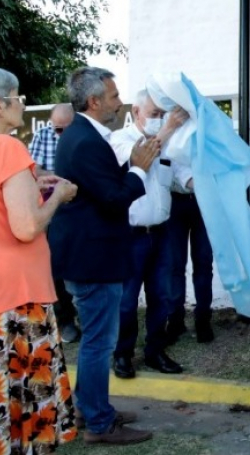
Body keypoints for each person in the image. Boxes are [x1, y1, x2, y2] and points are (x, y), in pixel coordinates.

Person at [48, 66, 158, 445]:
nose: (119, 101)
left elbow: (103, 188)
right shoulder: (85, 141)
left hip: (90, 255)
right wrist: (140, 170)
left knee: (98, 340)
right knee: (99, 342)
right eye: (113, 96)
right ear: (94, 102)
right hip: (93, 259)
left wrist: (132, 168)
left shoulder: (84, 135)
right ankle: (99, 422)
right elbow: (113, 199)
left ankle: (89, 406)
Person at [0, 68, 78, 452]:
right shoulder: (9, 147)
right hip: (18, 294)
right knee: (29, 396)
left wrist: (34, 183)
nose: (21, 105)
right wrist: (58, 195)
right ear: (2, 104)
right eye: (17, 99)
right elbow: (27, 227)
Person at [110, 89, 188, 378]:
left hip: (162, 232)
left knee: (161, 295)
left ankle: (155, 350)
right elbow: (141, 154)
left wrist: (200, 184)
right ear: (136, 113)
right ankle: (123, 354)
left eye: (162, 116)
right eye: (154, 115)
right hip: (131, 236)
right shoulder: (119, 139)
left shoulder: (168, 145)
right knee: (127, 300)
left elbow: (180, 175)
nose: (159, 120)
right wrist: (168, 129)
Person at [28, 102, 80, 344]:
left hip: (80, 210)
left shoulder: (84, 136)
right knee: (54, 267)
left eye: (63, 130)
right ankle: (66, 320)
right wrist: (58, 180)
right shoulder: (42, 134)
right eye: (56, 129)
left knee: (82, 263)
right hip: (52, 210)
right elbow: (34, 169)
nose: (59, 134)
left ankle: (86, 317)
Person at [165, 164, 215, 344]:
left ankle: (203, 319)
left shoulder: (205, 135)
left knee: (203, 261)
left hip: (204, 200)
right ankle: (175, 320)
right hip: (174, 199)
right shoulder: (169, 135)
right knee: (174, 265)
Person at [28, 103, 75, 176]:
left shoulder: (81, 135)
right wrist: (60, 176)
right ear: (51, 121)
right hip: (52, 185)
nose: (63, 133)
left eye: (68, 129)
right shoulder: (41, 135)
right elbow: (34, 170)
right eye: (59, 129)